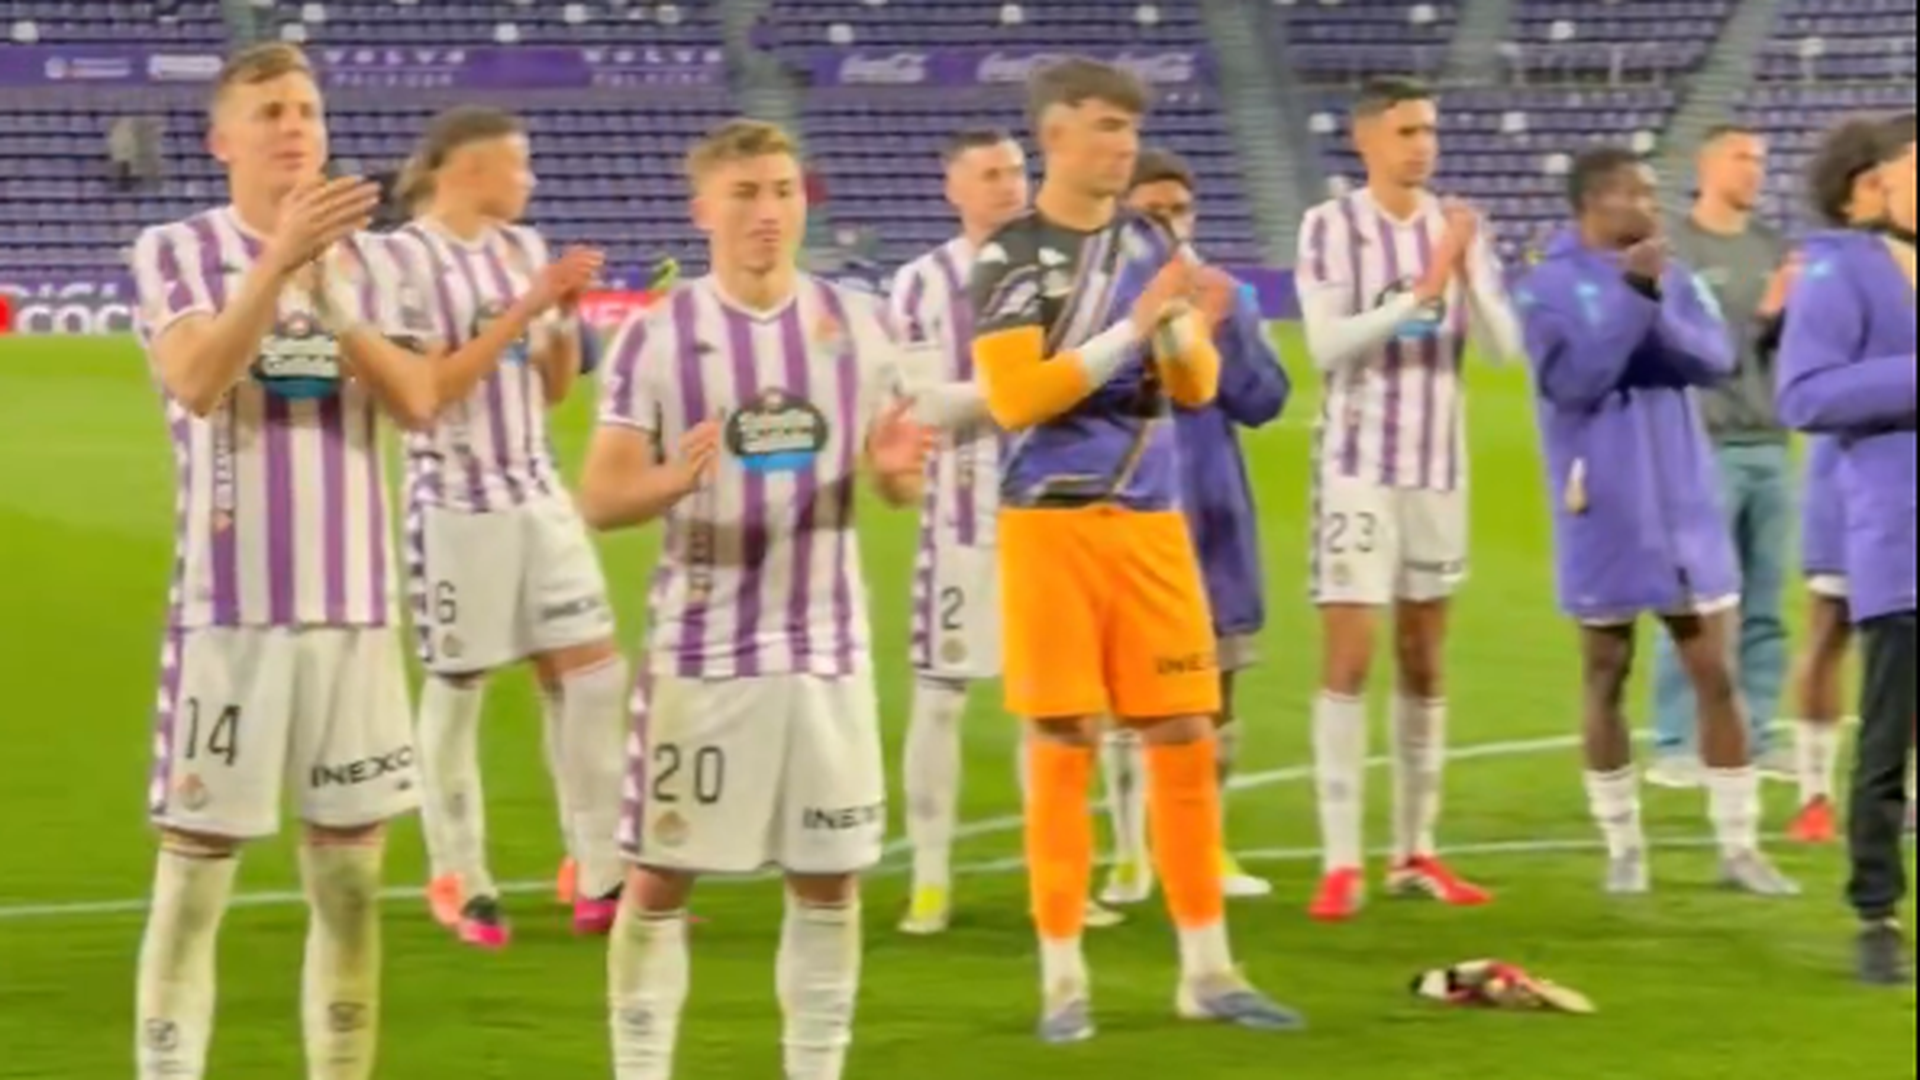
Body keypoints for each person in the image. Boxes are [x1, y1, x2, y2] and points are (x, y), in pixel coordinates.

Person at [581, 118, 932, 1080]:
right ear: (704, 210)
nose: (768, 212)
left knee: (830, 881)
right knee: (658, 878)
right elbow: (603, 495)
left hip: (827, 653)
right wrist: (670, 481)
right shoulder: (657, 337)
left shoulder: (858, 325)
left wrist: (899, 472)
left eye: (782, 190)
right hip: (701, 654)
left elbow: (895, 480)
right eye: (745, 194)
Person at [969, 57, 1301, 1043]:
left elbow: (1194, 387)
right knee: (1065, 742)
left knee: (1183, 736)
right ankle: (1063, 981)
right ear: (1055, 135)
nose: (1121, 144)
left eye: (1128, 129)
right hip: (1051, 521)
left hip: (1155, 522)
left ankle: (1207, 969)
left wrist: (1186, 333)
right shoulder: (1011, 257)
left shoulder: (1148, 240)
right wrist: (1131, 329)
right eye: (1105, 127)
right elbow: (1016, 397)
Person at [127, 43, 436, 1080]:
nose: (295, 125)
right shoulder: (175, 248)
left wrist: (335, 298)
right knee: (194, 889)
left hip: (354, 614)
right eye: (269, 111)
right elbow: (199, 380)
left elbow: (421, 401)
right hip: (229, 616)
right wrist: (275, 266)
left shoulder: (383, 262)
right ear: (224, 140)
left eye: (306, 108)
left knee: (350, 891)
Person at [1514, 146, 1799, 899]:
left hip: (1682, 499)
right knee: (1605, 670)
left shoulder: (1668, 273)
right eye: (1637, 192)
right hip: (1602, 501)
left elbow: (1713, 357)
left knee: (1716, 672)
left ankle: (1739, 847)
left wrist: (1649, 308)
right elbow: (1575, 381)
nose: (1651, 205)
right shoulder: (1547, 287)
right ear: (1595, 202)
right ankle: (1623, 846)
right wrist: (1635, 301)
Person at [389, 106, 629, 948]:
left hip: (539, 497)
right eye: (517, 165)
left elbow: (554, 388)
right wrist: (530, 305)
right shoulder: (402, 260)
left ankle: (598, 871)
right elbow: (429, 389)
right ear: (467, 170)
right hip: (457, 507)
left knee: (593, 679)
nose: (529, 180)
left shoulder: (527, 249)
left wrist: (565, 317)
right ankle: (463, 875)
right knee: (461, 688)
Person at [1292, 76, 1524, 921]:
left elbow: (1503, 348)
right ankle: (1341, 858)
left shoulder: (1455, 228)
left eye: (1428, 129)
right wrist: (1420, 292)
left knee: (1426, 657)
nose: (1422, 145)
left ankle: (1415, 850)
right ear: (1366, 139)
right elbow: (1324, 345)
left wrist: (1465, 269)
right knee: (1350, 654)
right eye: (1405, 131)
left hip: (1438, 467)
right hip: (1357, 465)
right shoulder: (1330, 227)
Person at [890, 128, 1124, 936]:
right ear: (953, 188)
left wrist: (1038, 386)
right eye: (988, 175)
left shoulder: (1066, 266)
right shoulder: (923, 283)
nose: (1006, 186)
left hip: (1055, 515)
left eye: (1015, 171)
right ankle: (928, 880)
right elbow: (921, 403)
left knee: (1059, 710)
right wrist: (1027, 388)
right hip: (962, 521)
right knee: (943, 697)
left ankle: (1059, 881)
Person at [1101, 147, 1290, 906]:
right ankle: (1125, 853)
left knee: (1218, 693)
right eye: (1153, 212)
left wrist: (1221, 328)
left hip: (1215, 518)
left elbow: (1265, 400)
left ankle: (1204, 846)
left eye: (1180, 209)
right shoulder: (1108, 300)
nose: (1171, 224)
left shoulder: (1229, 294)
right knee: (1128, 695)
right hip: (1134, 512)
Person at [1776, 113, 1917, 986]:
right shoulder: (1841, 271)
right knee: (1888, 740)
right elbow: (1805, 394)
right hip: (1902, 534)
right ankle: (1878, 911)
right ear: (1885, 180)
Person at [1645, 125, 1797, 789]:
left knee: (1764, 601)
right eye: (1742, 158)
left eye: (1761, 160)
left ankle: (1754, 732)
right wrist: (1766, 313)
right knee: (1696, 600)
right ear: (1707, 165)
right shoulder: (1677, 249)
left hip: (1771, 444)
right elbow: (1685, 346)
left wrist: (1791, 317)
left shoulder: (1772, 246)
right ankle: (1678, 740)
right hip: (1704, 445)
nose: (1755, 170)